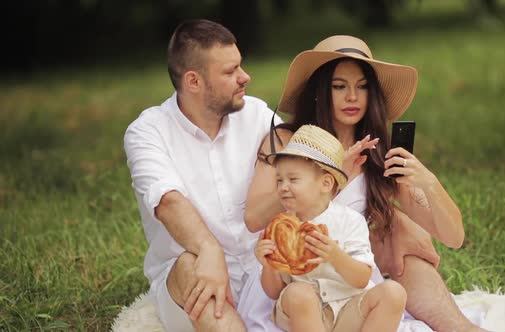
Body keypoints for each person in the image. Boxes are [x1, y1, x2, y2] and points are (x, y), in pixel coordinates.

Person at [245, 35, 485, 331]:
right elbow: (254, 218)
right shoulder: (287, 140)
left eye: (362, 86)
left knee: (409, 261)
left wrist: (428, 182)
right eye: (339, 86)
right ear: (320, 91)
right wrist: (332, 172)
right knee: (304, 297)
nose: (352, 97)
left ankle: (462, 328)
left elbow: (454, 237)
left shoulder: (377, 153)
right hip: (291, 284)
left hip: (344, 279)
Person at [123, 19, 283, 331]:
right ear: (193, 81)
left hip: (265, 270)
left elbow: (301, 168)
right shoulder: (147, 132)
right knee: (189, 266)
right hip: (193, 277)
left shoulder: (258, 115)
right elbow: (168, 201)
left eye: (240, 66)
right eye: (230, 71)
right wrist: (210, 251)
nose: (244, 77)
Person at [255, 124, 406, 332]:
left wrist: (335, 255)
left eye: (293, 179)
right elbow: (274, 292)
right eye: (279, 180)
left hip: (348, 309)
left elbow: (362, 279)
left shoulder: (349, 221)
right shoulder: (281, 228)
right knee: (298, 292)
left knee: (394, 293)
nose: (283, 187)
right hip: (305, 315)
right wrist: (268, 264)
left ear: (325, 184)